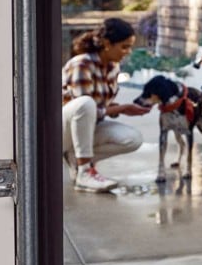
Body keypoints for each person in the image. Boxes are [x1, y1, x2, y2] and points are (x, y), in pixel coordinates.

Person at [62, 18, 151, 192]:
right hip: (59, 131)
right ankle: (85, 171)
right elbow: (84, 107)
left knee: (133, 138)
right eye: (124, 46)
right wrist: (121, 109)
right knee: (85, 104)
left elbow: (99, 108)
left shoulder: (113, 68)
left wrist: (120, 108)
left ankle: (75, 159)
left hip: (85, 128)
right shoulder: (82, 63)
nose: (128, 52)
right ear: (107, 44)